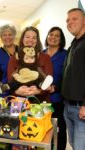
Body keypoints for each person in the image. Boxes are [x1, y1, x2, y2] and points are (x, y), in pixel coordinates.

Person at [7, 26, 53, 102]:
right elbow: (10, 79)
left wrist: (39, 91)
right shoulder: (14, 57)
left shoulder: (45, 57)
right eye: (27, 37)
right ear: (22, 39)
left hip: (40, 101)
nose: (30, 40)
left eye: (34, 38)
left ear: (37, 41)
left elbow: (48, 81)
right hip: (19, 101)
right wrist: (17, 91)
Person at [62, 8, 85, 150]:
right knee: (74, 144)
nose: (70, 22)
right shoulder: (74, 44)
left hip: (81, 108)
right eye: (67, 20)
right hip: (68, 106)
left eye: (74, 19)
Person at [43, 26, 67, 150]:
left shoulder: (65, 54)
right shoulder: (40, 54)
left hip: (57, 100)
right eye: (51, 34)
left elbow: (68, 78)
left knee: (59, 131)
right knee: (43, 129)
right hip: (41, 100)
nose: (53, 37)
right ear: (47, 37)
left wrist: (55, 88)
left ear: (61, 39)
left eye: (57, 36)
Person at [0, 24, 18, 97]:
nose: (7, 37)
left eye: (10, 34)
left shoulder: (22, 51)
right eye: (4, 35)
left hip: (21, 93)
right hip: (4, 94)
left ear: (14, 36)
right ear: (1, 37)